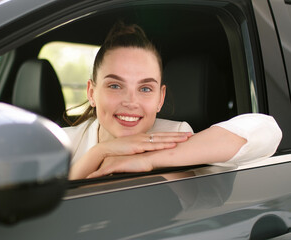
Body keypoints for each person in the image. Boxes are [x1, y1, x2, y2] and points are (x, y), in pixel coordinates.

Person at [63, 22, 282, 180]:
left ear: (161, 98)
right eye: (115, 85)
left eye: (145, 88)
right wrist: (99, 153)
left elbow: (267, 131)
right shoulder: (60, 143)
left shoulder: (175, 135)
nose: (131, 101)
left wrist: (151, 159)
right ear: (92, 92)